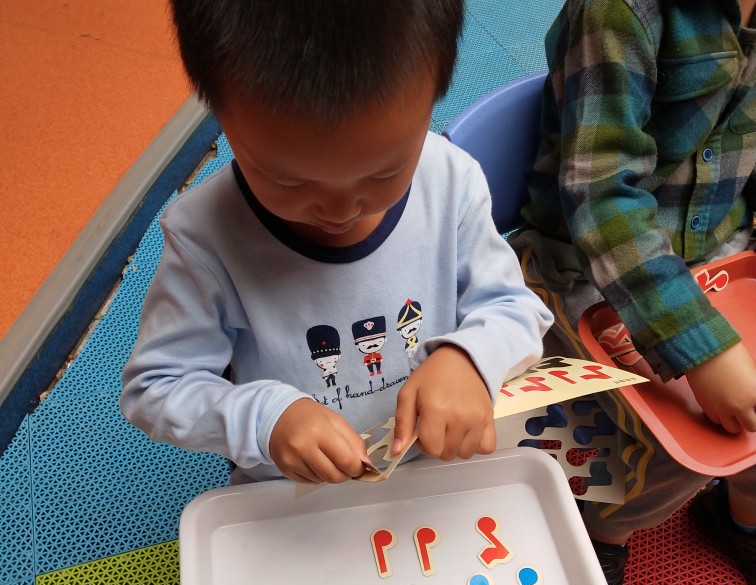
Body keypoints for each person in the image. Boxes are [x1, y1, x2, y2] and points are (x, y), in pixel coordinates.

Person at [120, 0, 553, 490]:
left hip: (433, 473)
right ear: (218, 112)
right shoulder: (206, 237)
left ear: (433, 97)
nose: (340, 210)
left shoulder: (450, 181)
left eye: (385, 172)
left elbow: (516, 309)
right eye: (288, 181)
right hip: (296, 494)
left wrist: (471, 357)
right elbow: (155, 387)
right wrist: (266, 419)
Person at [509, 0, 756, 585]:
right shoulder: (621, 11)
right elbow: (600, 196)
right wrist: (700, 349)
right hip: (589, 259)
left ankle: (742, 513)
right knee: (687, 440)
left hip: (723, 250)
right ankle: (603, 533)